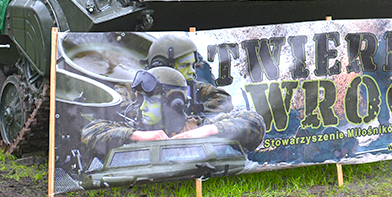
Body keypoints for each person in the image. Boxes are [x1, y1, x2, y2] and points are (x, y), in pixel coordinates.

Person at [80, 66, 266, 169]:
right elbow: (90, 132)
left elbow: (254, 122)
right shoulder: (135, 128)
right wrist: (136, 135)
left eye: (150, 101)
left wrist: (207, 130)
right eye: (140, 101)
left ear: (174, 104)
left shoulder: (197, 125)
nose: (142, 108)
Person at [145, 34, 233, 118]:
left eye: (192, 65)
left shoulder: (191, 86)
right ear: (163, 67)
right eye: (184, 66)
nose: (192, 71)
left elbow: (225, 100)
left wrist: (196, 111)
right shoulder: (142, 89)